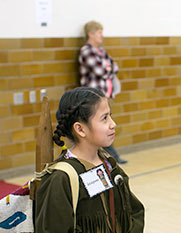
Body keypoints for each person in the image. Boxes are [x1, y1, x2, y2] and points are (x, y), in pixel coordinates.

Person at [35, 87, 144, 233]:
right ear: (80, 129)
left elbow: (134, 212)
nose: (113, 124)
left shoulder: (109, 164)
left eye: (110, 116)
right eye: (104, 118)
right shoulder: (61, 178)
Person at [78, 20, 127, 164]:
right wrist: (108, 69)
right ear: (91, 34)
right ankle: (111, 156)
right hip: (92, 99)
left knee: (105, 126)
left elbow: (114, 67)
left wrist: (109, 69)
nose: (102, 36)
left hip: (103, 97)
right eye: (99, 32)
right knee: (98, 127)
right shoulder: (86, 51)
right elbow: (101, 71)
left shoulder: (101, 51)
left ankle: (110, 156)